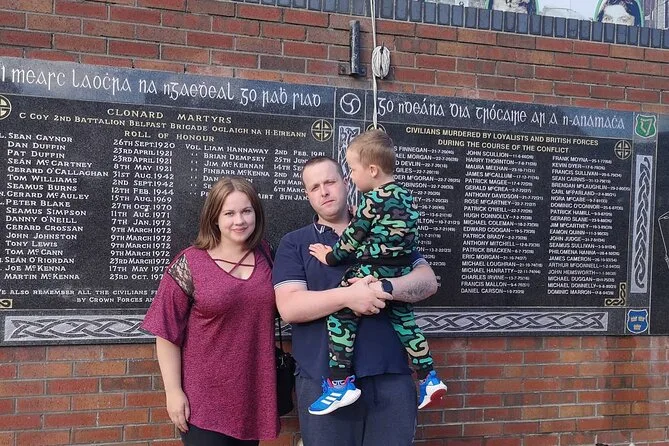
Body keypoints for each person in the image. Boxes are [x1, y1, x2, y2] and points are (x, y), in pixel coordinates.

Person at [273, 155, 439, 445]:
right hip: (323, 382)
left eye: (330, 182)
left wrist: (384, 287)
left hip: (391, 378)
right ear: (307, 195)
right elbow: (290, 308)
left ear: (346, 182)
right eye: (314, 187)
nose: (324, 192)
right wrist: (350, 296)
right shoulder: (295, 243)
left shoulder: (383, 228)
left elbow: (427, 282)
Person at [307, 130, 447, 416]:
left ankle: (339, 384)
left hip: (372, 268)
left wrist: (329, 256)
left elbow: (351, 240)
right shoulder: (407, 197)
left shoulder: (371, 200)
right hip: (401, 268)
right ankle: (429, 378)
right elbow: (406, 236)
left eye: (353, 170)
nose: (352, 176)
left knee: (341, 315)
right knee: (406, 324)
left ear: (372, 170)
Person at [142, 177, 279, 446]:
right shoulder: (190, 263)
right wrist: (173, 392)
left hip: (252, 398)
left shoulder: (267, 254)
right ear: (214, 217)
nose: (239, 220)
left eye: (246, 211)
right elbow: (166, 331)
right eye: (229, 213)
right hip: (203, 402)